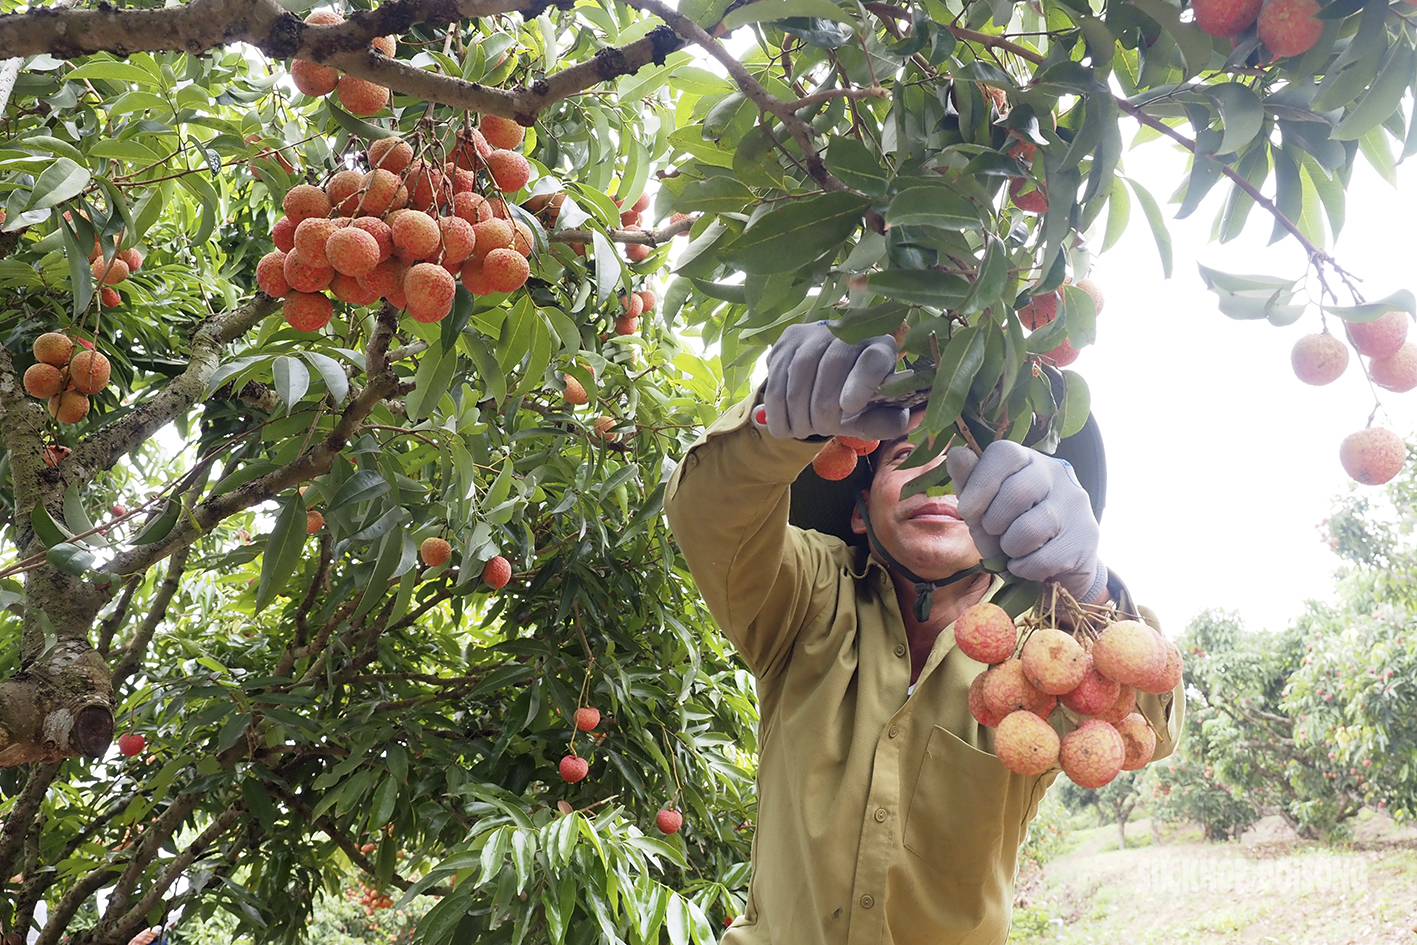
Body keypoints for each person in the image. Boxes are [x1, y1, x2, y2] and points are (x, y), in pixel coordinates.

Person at [664, 323, 1184, 945]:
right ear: (858, 512)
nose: (937, 483)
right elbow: (711, 514)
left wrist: (1091, 590)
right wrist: (782, 422)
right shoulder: (805, 594)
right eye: (908, 459)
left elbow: (1152, 726)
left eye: (961, 467)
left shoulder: (1046, 660)